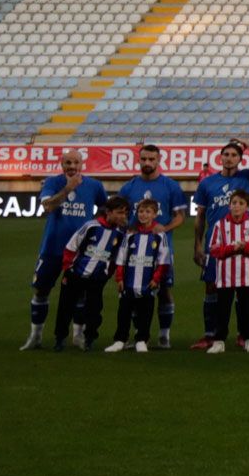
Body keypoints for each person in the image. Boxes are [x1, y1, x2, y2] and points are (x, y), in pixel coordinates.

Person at [24, 150, 106, 351]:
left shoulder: (94, 185)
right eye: (68, 162)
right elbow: (48, 207)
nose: (72, 166)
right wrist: (67, 188)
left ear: (81, 164)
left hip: (81, 251)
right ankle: (36, 336)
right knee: (42, 290)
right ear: (62, 164)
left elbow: (104, 209)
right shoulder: (52, 182)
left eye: (75, 162)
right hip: (53, 247)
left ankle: (77, 337)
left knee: (80, 295)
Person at [191, 138, 249, 353]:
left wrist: (246, 142)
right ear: (220, 157)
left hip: (243, 242)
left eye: (234, 155)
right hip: (217, 243)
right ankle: (211, 334)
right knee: (212, 288)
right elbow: (200, 216)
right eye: (226, 154)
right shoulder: (207, 183)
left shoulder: (246, 178)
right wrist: (197, 245)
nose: (229, 158)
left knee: (241, 289)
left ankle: (244, 334)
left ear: (240, 159)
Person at [116, 144, 187, 348]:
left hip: (161, 251)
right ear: (139, 160)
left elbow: (180, 217)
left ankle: (164, 334)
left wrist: (163, 228)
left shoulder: (170, 186)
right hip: (134, 251)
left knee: (164, 290)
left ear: (158, 160)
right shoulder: (128, 187)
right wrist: (126, 226)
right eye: (144, 159)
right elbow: (120, 214)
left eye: (151, 159)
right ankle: (140, 335)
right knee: (134, 290)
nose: (147, 163)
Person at [54, 196, 127, 354]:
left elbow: (116, 258)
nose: (123, 217)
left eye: (125, 213)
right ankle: (60, 339)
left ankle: (89, 339)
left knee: (94, 310)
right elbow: (71, 247)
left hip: (97, 278)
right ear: (108, 212)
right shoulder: (91, 226)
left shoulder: (120, 234)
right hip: (76, 274)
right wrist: (68, 269)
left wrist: (107, 274)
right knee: (65, 307)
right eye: (120, 212)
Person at [107, 197, 172, 353]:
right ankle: (120, 340)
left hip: (147, 282)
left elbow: (163, 260)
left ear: (155, 214)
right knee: (124, 311)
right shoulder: (130, 234)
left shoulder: (159, 235)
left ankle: (142, 340)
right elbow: (121, 257)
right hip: (129, 281)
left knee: (146, 311)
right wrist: (119, 278)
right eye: (141, 211)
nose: (143, 215)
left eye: (148, 212)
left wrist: (156, 279)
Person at [205, 189, 249, 354]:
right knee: (222, 310)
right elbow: (214, 250)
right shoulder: (220, 224)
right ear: (229, 205)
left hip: (245, 277)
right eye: (234, 203)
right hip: (225, 277)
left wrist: (245, 247)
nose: (237, 207)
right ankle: (219, 341)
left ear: (247, 207)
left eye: (241, 203)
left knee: (246, 310)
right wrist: (232, 248)